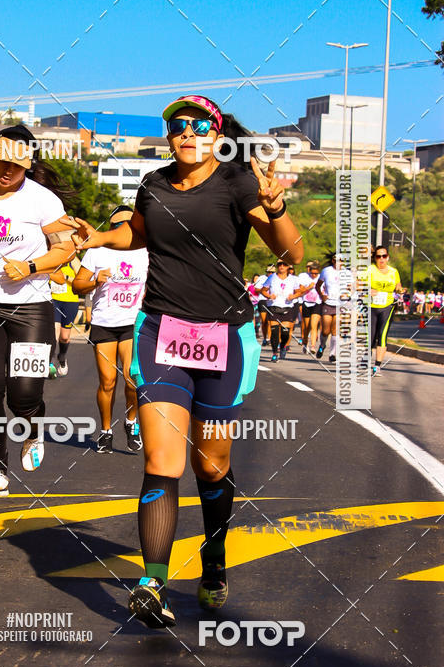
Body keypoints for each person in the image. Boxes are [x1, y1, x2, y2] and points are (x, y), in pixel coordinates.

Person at [68, 96, 303, 628]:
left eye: (199, 126)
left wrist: (277, 208)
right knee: (163, 462)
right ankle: (153, 582)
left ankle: (214, 561)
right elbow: (141, 233)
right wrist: (101, 236)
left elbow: (291, 256)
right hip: (161, 333)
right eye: (178, 126)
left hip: (223, 337)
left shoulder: (238, 183)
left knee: (211, 467)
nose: (187, 133)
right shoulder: (152, 183)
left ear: (216, 134)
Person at [0, 125, 76, 496]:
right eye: (2, 162)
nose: (7, 171)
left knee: (23, 394)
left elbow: (66, 249)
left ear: (28, 164)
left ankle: (33, 429)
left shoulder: (43, 201)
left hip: (32, 308)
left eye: (16, 165)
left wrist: (32, 266)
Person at [72, 205, 148, 454]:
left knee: (131, 379)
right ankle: (106, 430)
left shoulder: (146, 252)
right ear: (112, 228)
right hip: (104, 323)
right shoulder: (98, 251)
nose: (122, 229)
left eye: (127, 226)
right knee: (107, 381)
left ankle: (131, 422)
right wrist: (95, 281)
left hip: (131, 323)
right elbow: (77, 285)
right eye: (118, 226)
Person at [369, 246, 403, 375]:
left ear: (387, 257)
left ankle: (377, 365)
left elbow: (398, 285)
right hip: (372, 307)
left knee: (382, 335)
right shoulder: (370, 270)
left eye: (384, 256)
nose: (381, 259)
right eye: (378, 256)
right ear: (375, 258)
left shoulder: (394, 271)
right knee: (371, 336)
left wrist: (400, 289)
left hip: (387, 306)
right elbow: (357, 284)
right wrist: (368, 290)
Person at [260, 260, 302, 361]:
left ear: (288, 267)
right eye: (280, 264)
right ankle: (274, 353)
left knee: (285, 333)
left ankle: (283, 346)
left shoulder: (293, 279)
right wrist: (269, 296)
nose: (282, 266)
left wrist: (293, 296)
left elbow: (299, 292)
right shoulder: (272, 277)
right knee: (274, 332)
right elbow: (263, 290)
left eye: (284, 264)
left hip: (287, 307)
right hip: (273, 307)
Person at [51, 252, 83, 376]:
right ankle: (50, 361)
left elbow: (81, 280)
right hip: (53, 299)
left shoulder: (73, 260)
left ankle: (62, 357)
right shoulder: (50, 257)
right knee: (54, 332)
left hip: (70, 301)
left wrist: (65, 277)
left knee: (64, 337)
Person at [316, 253, 342, 363]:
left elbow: (352, 287)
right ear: (333, 261)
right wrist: (322, 295)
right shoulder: (326, 271)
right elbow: (318, 285)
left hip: (340, 304)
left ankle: (332, 354)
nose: (338, 263)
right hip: (328, 303)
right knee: (326, 330)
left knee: (335, 330)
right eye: (336, 260)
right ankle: (322, 345)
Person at [297, 261, 321, 353]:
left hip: (317, 303)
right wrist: (309, 287)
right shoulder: (304, 277)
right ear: (309, 271)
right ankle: (305, 342)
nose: (314, 275)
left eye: (316, 273)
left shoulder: (321, 278)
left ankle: (313, 346)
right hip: (306, 303)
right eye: (312, 273)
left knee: (313, 325)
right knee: (306, 326)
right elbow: (300, 290)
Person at [255, 264, 276, 345]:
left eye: (272, 272)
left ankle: (269, 338)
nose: (270, 273)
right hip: (263, 300)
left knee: (271, 321)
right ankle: (265, 337)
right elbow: (256, 289)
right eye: (269, 272)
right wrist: (264, 291)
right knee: (264, 321)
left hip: (272, 301)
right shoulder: (262, 278)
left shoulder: (276, 278)